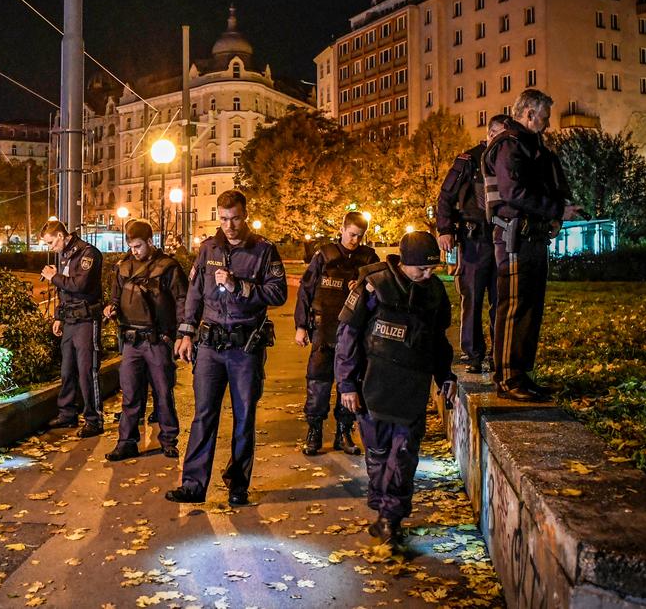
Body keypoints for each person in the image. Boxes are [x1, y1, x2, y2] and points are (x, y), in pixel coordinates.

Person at [166, 190, 287, 506]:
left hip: (244, 347)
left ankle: (238, 485)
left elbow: (278, 294)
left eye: (234, 218)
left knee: (244, 417)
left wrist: (240, 287)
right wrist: (186, 334)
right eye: (223, 218)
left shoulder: (263, 251)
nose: (229, 225)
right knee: (204, 413)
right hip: (209, 345)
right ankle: (193, 484)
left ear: (245, 215)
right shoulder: (209, 249)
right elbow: (194, 294)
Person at [335, 231, 455, 545]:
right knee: (376, 454)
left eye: (433, 269)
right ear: (404, 263)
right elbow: (347, 336)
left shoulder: (434, 293)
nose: (428, 274)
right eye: (422, 269)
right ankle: (381, 507)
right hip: (372, 387)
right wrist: (346, 384)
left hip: (412, 390)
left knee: (403, 456)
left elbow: (438, 340)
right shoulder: (373, 285)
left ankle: (391, 517)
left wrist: (446, 377)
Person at [482, 89, 576, 402]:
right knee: (515, 307)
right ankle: (508, 378)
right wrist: (555, 210)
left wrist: (554, 213)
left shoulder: (529, 145)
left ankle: (521, 375)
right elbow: (513, 192)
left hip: (529, 236)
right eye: (545, 118)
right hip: (514, 238)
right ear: (529, 114)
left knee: (530, 309)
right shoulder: (510, 144)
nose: (548, 124)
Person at [293, 211, 378, 456]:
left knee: (349, 383)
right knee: (318, 382)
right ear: (342, 229)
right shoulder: (324, 256)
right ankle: (314, 431)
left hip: (354, 332)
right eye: (352, 235)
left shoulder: (367, 258)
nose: (355, 240)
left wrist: (363, 286)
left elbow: (378, 291)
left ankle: (344, 431)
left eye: (360, 236)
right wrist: (300, 326)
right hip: (324, 329)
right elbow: (306, 291)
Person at [102, 219, 187, 461]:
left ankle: (169, 440)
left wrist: (182, 335)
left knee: (163, 392)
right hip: (131, 340)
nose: (134, 251)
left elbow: (182, 300)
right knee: (129, 395)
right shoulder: (123, 267)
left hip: (157, 339)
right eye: (131, 246)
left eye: (138, 246)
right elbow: (116, 297)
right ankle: (126, 442)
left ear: (150, 241)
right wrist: (112, 308)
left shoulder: (168, 267)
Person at [435, 115, 507, 375]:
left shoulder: (507, 161)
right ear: (490, 134)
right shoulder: (468, 160)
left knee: (501, 300)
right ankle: (473, 353)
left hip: (501, 238)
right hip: (474, 238)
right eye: (500, 136)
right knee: (473, 298)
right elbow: (445, 196)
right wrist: (444, 230)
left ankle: (500, 355)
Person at [40, 220, 105, 436]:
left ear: (60, 235)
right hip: (70, 321)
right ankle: (67, 413)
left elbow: (79, 286)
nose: (50, 247)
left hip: (86, 319)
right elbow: (64, 293)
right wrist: (59, 316)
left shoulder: (88, 253)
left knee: (87, 371)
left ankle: (93, 419)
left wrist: (54, 277)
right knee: (67, 369)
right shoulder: (66, 255)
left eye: (51, 242)